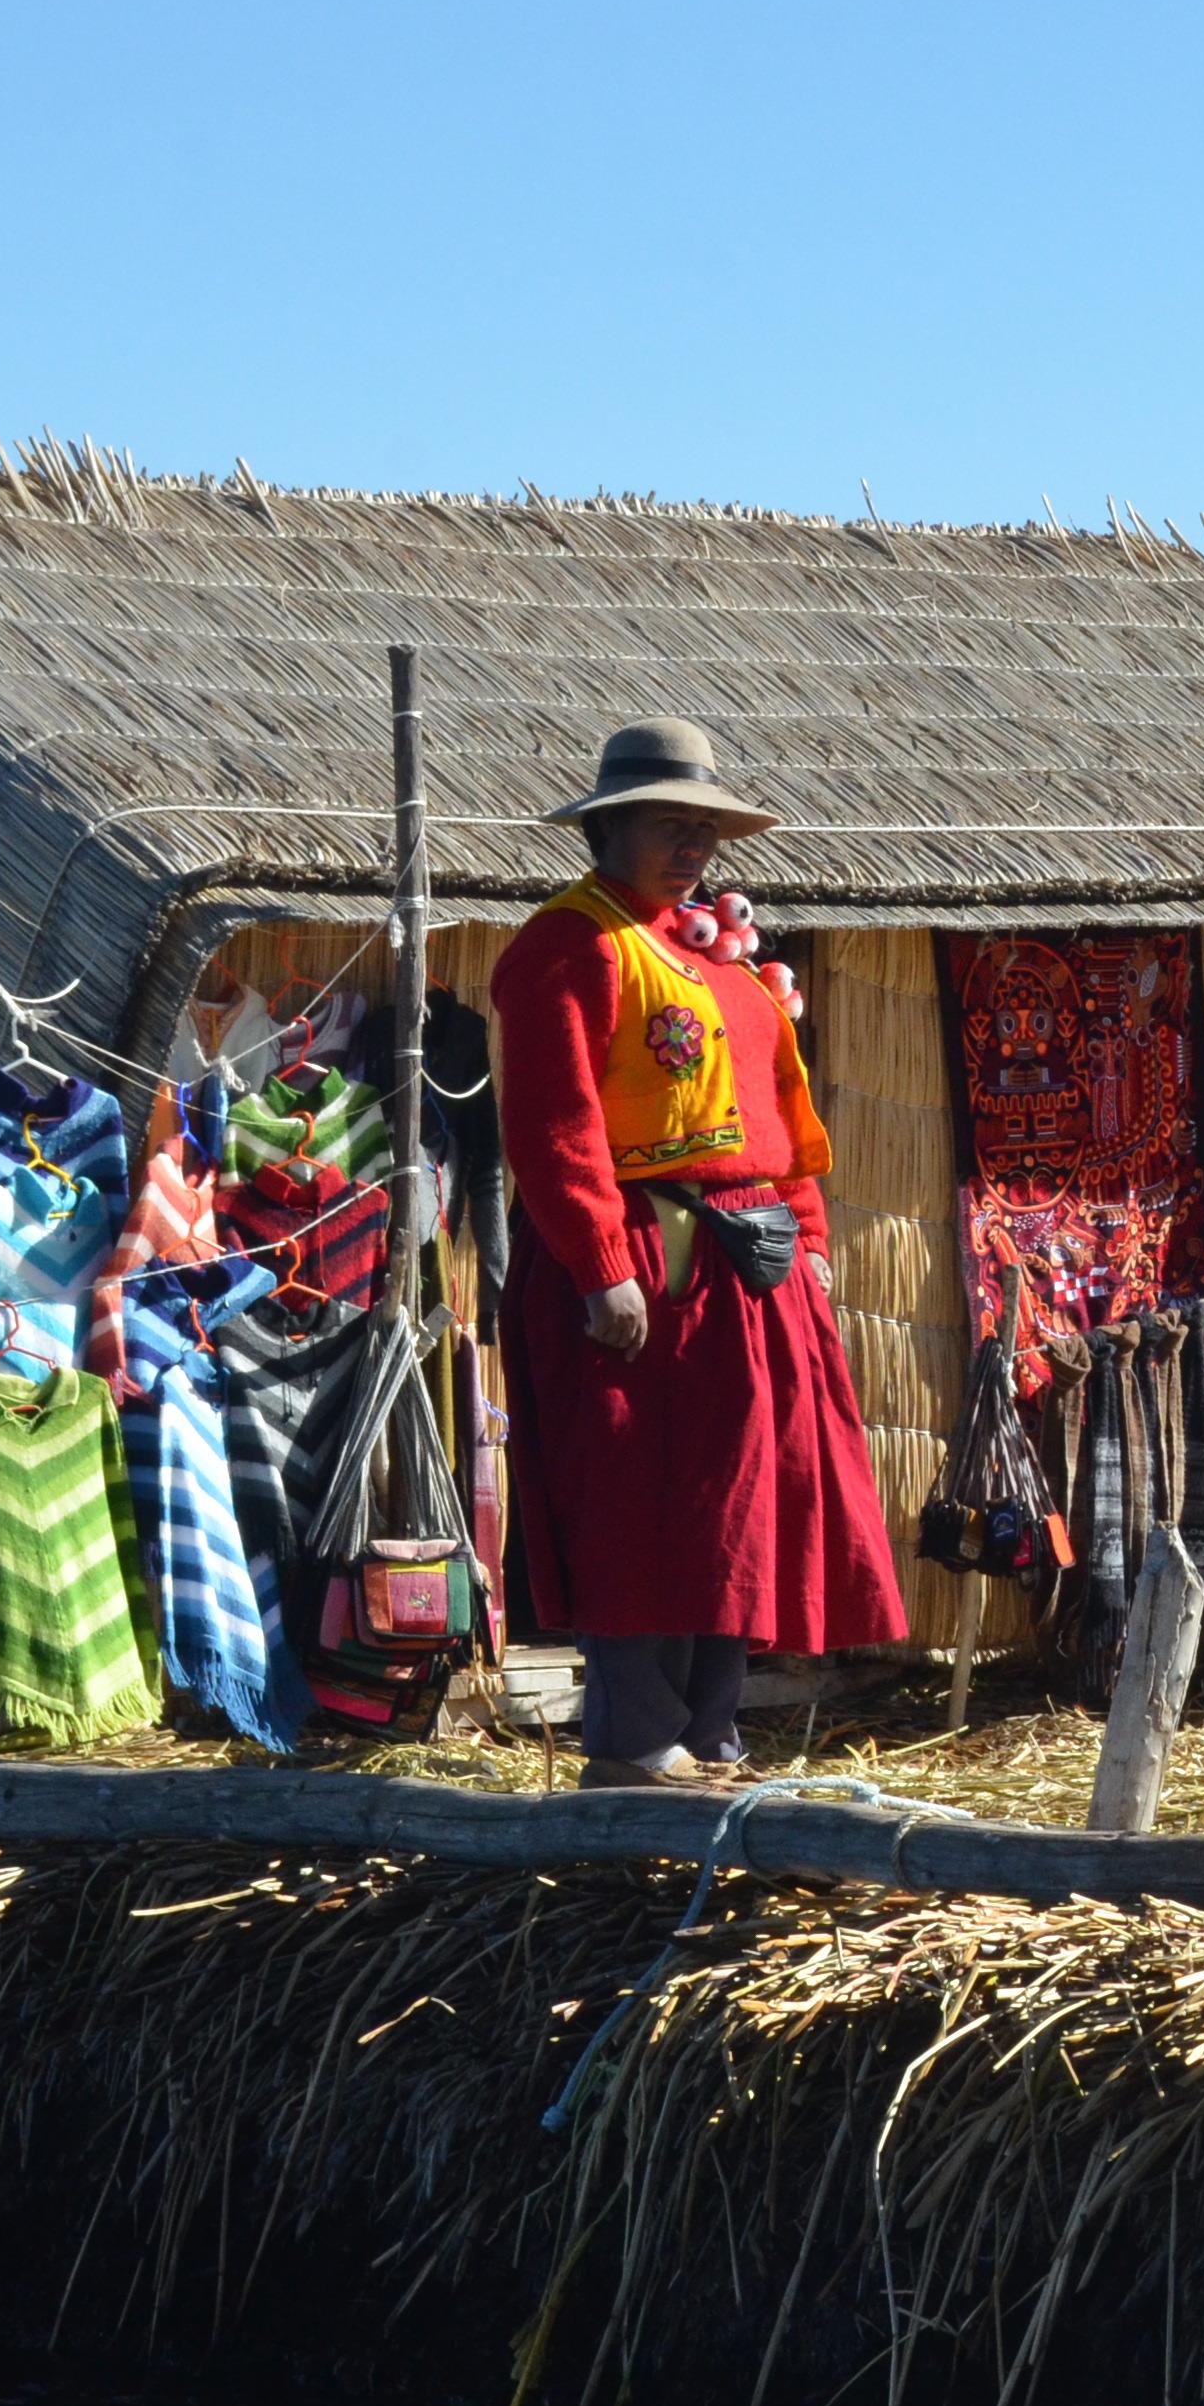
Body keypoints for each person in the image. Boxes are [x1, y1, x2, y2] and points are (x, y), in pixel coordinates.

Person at [490, 718, 905, 1782]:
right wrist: (598, 1265)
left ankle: (712, 1735)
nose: (693, 847)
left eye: (706, 829)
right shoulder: (566, 947)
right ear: (608, 828)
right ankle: (635, 1742)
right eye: (670, 826)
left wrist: (806, 1242)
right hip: (640, 1260)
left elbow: (781, 1121)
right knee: (642, 1499)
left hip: (748, 1264)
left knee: (741, 1503)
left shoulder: (722, 963)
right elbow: (553, 1125)